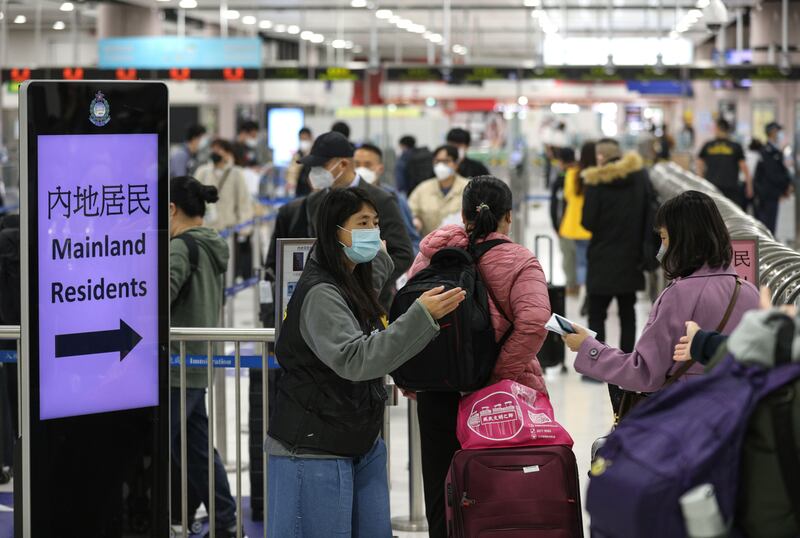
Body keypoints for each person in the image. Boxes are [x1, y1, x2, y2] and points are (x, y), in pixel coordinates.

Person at [266, 187, 466, 538]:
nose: (373, 231)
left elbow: (371, 300)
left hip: (358, 435)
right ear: (334, 231)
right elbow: (356, 359)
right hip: (313, 445)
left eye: (375, 222)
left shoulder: (351, 280)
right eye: (362, 223)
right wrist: (420, 316)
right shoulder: (321, 293)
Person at [407, 175, 551, 538]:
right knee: (497, 488)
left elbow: (411, 316)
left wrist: (414, 373)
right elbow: (534, 322)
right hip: (499, 398)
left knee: (441, 488)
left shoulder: (431, 256)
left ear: (462, 213)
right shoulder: (519, 259)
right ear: (508, 217)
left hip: (437, 389)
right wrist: (497, 377)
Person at [565, 191, 759, 404]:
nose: (661, 247)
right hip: (738, 414)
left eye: (665, 238)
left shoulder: (680, 295)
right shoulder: (749, 292)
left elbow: (644, 373)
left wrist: (589, 348)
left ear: (684, 239)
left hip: (687, 415)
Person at [169, 176, 242, 538]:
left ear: (171, 209)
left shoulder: (181, 248)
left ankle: (168, 516)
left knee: (167, 442)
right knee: (195, 447)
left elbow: (159, 300)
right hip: (196, 362)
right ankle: (226, 518)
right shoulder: (212, 245)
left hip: (175, 364)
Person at [265, 131, 413, 309]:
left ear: (342, 164)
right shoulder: (313, 202)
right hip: (323, 303)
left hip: (371, 305)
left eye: (320, 166)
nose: (313, 172)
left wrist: (364, 283)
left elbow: (403, 253)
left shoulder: (380, 200)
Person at [579, 139, 648, 401]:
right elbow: (647, 213)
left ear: (601, 158)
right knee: (627, 311)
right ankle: (627, 363)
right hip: (630, 255)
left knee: (597, 312)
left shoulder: (596, 181)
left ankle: (597, 366)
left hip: (602, 256)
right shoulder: (639, 177)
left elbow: (587, 221)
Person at [194, 139, 255, 279]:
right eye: (213, 149)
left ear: (227, 153)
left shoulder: (236, 173)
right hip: (206, 229)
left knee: (228, 271)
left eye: (219, 149)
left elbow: (243, 202)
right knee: (206, 271)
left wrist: (244, 229)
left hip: (228, 229)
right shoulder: (203, 172)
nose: (215, 152)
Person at [355, 143, 421, 255]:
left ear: (380, 168)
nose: (361, 169)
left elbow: (412, 239)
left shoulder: (393, 198)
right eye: (357, 164)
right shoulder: (345, 195)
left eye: (367, 165)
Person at [408, 145, 469, 237]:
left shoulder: (469, 187)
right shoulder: (422, 189)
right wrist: (416, 220)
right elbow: (411, 211)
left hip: (462, 246)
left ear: (456, 164)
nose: (441, 165)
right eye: (437, 161)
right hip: (429, 245)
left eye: (446, 161)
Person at [559, 144, 593, 300]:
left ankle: (577, 289)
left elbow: (567, 196)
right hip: (590, 226)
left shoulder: (572, 174)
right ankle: (589, 291)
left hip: (572, 224)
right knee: (587, 260)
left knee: (574, 261)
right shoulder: (596, 176)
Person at [697, 118, 752, 209]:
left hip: (711, 187)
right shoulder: (735, 146)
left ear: (718, 128)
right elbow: (744, 167)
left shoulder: (708, 145)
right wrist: (749, 186)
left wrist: (700, 180)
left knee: (713, 215)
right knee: (731, 215)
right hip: (731, 187)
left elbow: (699, 163)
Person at [754, 122, 794, 235]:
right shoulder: (767, 152)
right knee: (768, 228)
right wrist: (786, 184)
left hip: (772, 194)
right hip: (768, 194)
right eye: (778, 131)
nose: (780, 134)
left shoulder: (775, 151)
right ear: (772, 132)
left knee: (771, 226)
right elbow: (773, 174)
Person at [549, 148, 575, 295]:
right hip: (579, 226)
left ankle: (572, 286)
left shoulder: (561, 179)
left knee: (568, 257)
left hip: (565, 225)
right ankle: (577, 286)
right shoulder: (581, 176)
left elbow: (555, 205)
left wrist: (555, 224)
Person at [288, 127, 314, 196]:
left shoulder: (315, 154)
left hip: (312, 189)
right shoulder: (297, 154)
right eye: (301, 139)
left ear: (311, 138)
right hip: (299, 189)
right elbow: (292, 171)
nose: (303, 142)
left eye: (305, 139)